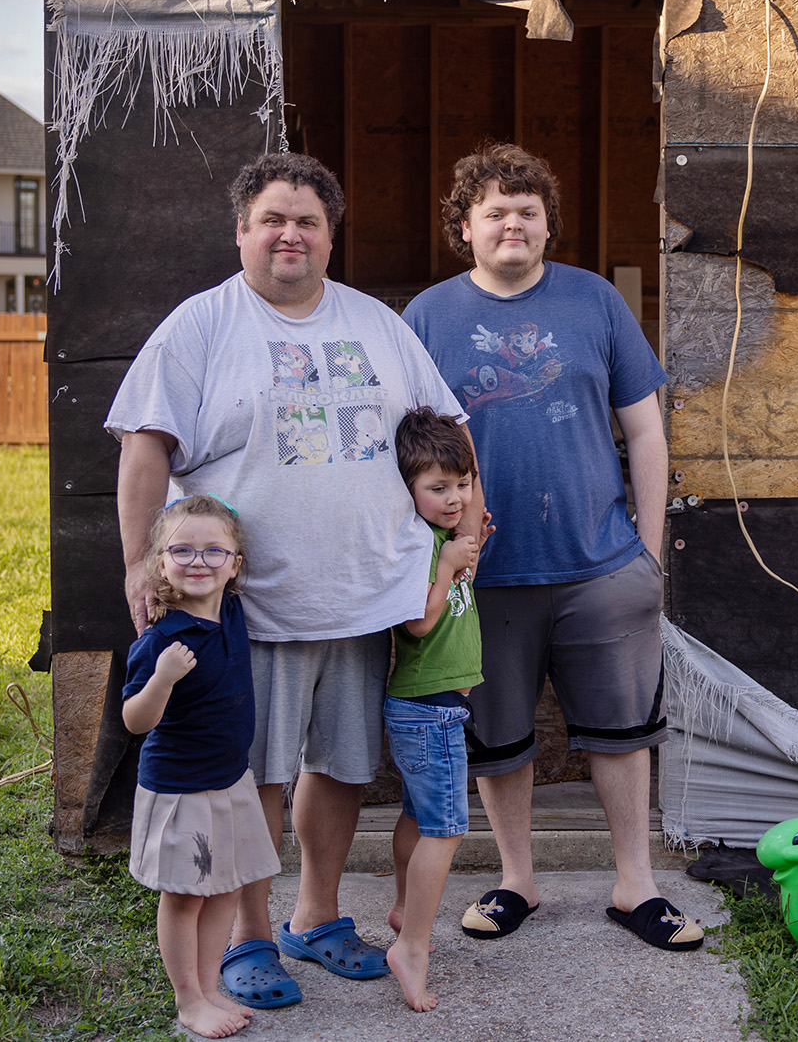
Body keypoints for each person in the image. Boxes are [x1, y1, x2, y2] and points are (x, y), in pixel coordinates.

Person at [107, 153, 470, 1009]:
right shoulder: (200, 327)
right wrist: (137, 561)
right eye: (272, 218)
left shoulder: (376, 325)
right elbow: (144, 446)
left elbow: (446, 423)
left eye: (308, 221)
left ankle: (315, 913)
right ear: (241, 230)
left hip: (361, 593)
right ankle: (249, 935)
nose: (289, 234)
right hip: (248, 607)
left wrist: (464, 531)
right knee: (255, 776)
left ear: (331, 236)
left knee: (342, 767)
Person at [402, 143, 703, 951]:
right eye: (495, 211)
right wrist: (433, 558)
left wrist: (649, 550)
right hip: (483, 573)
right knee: (497, 735)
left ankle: (635, 884)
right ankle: (516, 879)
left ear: (547, 226)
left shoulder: (595, 302)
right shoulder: (425, 317)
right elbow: (401, 452)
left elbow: (644, 431)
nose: (512, 223)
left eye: (527, 211)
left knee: (622, 729)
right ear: (464, 225)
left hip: (600, 565)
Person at [119, 495, 278, 1039]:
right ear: (159, 563)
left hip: (230, 782)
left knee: (227, 887)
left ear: (236, 564)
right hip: (181, 790)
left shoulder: (231, 611)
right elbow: (135, 721)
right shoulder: (161, 641)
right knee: (185, 895)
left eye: (215, 551)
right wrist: (162, 678)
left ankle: (209, 986)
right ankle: (188, 1000)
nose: (199, 561)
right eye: (182, 549)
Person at [382, 407, 486, 1011]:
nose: (455, 498)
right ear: (408, 490)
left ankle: (402, 907)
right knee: (445, 830)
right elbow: (419, 624)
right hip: (431, 711)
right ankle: (412, 947)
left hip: (430, 708)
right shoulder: (417, 548)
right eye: (438, 488)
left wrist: (460, 544)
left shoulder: (442, 538)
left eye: (463, 484)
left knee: (419, 818)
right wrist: (447, 565)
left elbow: (464, 521)